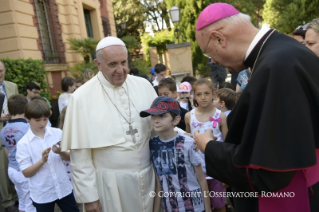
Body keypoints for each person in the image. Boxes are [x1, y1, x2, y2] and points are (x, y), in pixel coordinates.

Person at [195, 3, 319, 212]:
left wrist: (210, 147)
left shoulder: (276, 67)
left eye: (209, 54)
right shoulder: (283, 50)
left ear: (219, 38)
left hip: (289, 195)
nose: (214, 61)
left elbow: (268, 170)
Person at [61, 36, 158, 212]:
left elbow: (159, 130)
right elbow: (80, 156)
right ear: (98, 64)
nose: (120, 70)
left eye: (123, 62)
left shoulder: (144, 85)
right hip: (110, 184)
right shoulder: (81, 97)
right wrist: (89, 198)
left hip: (149, 176)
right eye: (112, 64)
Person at [140, 96, 211, 212]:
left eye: (162, 116)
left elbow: (201, 179)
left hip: (195, 207)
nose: (156, 120)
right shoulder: (152, 145)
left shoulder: (188, 143)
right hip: (170, 207)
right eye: (153, 116)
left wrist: (208, 209)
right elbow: (159, 183)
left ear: (176, 120)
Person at [15, 100, 78, 212]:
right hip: (42, 192)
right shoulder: (23, 143)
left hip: (63, 187)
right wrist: (42, 161)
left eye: (45, 119)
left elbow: (70, 157)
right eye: (37, 120)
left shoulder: (57, 133)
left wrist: (60, 152)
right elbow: (26, 172)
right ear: (27, 118)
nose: (42, 123)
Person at [185, 79, 228, 212]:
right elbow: (187, 143)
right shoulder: (188, 116)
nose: (203, 98)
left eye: (207, 93)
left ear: (213, 94)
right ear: (194, 95)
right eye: (198, 94)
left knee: (219, 204)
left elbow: (227, 146)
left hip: (216, 170)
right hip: (196, 171)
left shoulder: (220, 116)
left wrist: (226, 174)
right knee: (202, 205)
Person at [0, 94, 36, 212]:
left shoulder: (3, 130)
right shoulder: (27, 127)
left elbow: (7, 151)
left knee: (22, 201)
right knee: (31, 202)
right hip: (25, 170)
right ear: (26, 108)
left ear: (9, 110)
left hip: (12, 169)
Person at [0, 61, 19, 212]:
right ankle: (8, 202)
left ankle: (19, 196)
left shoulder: (12, 86)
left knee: (17, 164)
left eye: (0, 71)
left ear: (5, 70)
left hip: (15, 131)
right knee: (3, 169)